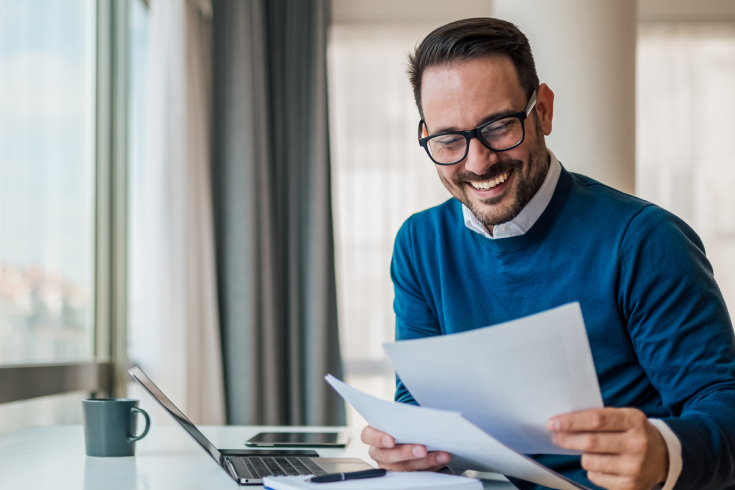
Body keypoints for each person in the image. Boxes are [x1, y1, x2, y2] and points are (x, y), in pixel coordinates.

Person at [360, 17, 735, 490]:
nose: (478, 163)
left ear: (544, 112)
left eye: (497, 127)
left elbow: (723, 407)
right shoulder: (419, 245)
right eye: (449, 140)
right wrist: (409, 448)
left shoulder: (644, 240)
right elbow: (419, 405)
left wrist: (665, 452)